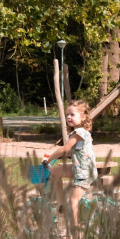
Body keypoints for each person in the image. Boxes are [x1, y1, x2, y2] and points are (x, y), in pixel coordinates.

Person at [42, 99, 98, 231]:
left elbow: (64, 149)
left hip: (84, 174)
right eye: (67, 114)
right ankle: (61, 204)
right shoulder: (78, 132)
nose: (69, 117)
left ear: (83, 117)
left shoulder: (80, 133)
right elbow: (71, 152)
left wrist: (48, 159)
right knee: (55, 172)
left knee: (73, 202)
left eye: (72, 115)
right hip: (78, 169)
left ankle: (75, 231)